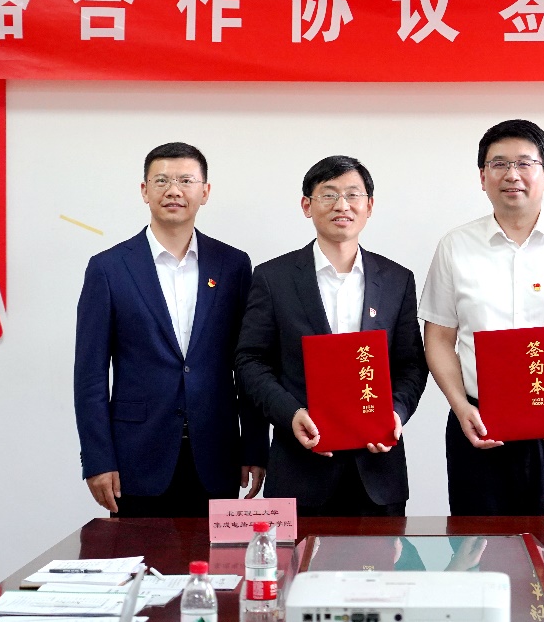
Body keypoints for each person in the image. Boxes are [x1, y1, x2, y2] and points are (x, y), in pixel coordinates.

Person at [419, 119, 544, 516]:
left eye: (524, 163)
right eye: (498, 164)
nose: (511, 175)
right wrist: (460, 406)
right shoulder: (455, 246)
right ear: (482, 177)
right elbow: (439, 338)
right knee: (479, 544)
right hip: (477, 424)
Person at [74, 142, 267, 517]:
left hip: (217, 453)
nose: (173, 190)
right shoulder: (108, 268)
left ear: (205, 192)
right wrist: (97, 459)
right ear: (144, 190)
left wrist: (255, 447)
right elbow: (90, 375)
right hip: (136, 455)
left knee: (216, 557)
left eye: (186, 181)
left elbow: (249, 364)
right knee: (138, 555)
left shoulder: (233, 265)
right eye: (161, 181)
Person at [235, 155, 427, 516]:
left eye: (353, 195)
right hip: (299, 470)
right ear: (307, 205)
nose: (342, 205)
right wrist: (291, 414)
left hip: (378, 474)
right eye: (329, 194)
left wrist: (395, 413)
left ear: (369, 206)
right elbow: (250, 361)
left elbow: (412, 364)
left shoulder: (397, 280)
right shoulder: (273, 278)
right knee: (296, 557)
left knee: (379, 556)